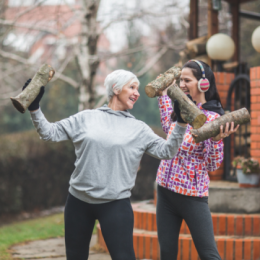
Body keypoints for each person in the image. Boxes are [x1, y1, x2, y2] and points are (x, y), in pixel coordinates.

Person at [22, 69, 188, 260]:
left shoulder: (139, 129)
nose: (137, 93)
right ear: (116, 89)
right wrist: (34, 107)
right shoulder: (86, 118)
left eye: (138, 88)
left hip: (115, 204)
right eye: (132, 87)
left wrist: (181, 124)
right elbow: (49, 133)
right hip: (78, 202)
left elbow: (167, 151)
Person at [156, 60, 239, 260]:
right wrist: (162, 96)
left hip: (192, 196)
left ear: (203, 83)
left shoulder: (212, 118)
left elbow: (212, 165)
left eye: (187, 80)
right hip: (165, 191)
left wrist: (217, 141)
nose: (181, 84)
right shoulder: (182, 106)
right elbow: (169, 130)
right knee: (167, 254)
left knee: (209, 255)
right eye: (180, 80)